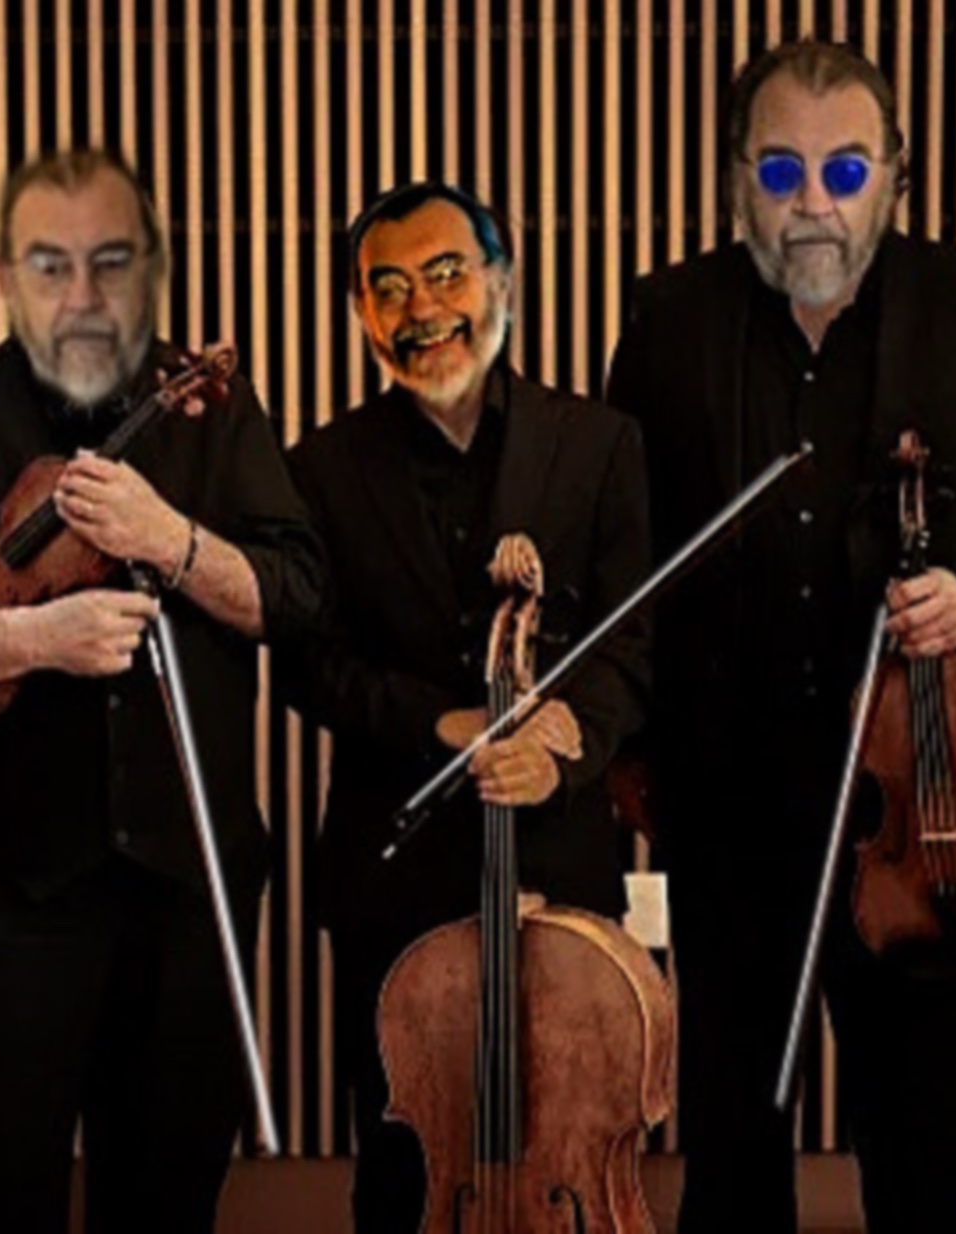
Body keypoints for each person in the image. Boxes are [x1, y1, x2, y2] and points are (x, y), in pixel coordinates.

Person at [605, 40, 956, 1234]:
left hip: (920, 805)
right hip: (728, 800)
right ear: (736, 178)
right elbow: (622, 541)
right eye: (780, 169)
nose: (813, 203)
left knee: (925, 1135)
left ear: (896, 173)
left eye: (844, 169)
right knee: (730, 1140)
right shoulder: (669, 316)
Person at [0, 148, 324, 1234]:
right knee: (3, 1202)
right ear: (6, 278)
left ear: (152, 272)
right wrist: (33, 637)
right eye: (50, 265)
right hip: (8, 903)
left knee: (168, 1205)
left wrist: (170, 539)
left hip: (191, 893)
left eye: (111, 262)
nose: (82, 294)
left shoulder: (216, 414)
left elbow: (299, 598)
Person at [276, 182, 652, 1232]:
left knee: (574, 1136)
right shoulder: (319, 469)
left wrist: (566, 739)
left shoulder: (599, 444)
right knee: (404, 1163)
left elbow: (632, 640)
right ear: (360, 314)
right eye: (387, 287)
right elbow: (308, 662)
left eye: (446, 274)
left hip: (558, 866)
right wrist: (440, 725)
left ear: (503, 283)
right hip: (393, 872)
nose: (421, 308)